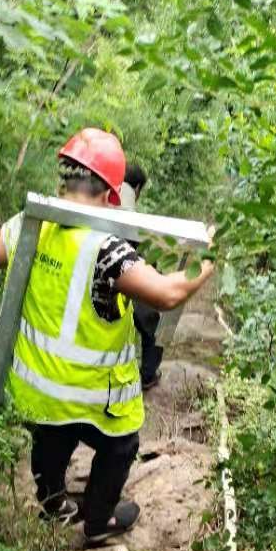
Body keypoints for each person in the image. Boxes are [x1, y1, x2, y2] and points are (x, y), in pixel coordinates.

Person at [0, 127, 213, 546]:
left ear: (64, 179)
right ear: (111, 194)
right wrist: (209, 258)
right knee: (120, 448)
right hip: (95, 399)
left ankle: (52, 504)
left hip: (38, 392)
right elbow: (168, 293)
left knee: (48, 441)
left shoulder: (29, 226)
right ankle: (99, 522)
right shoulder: (108, 248)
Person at [118, 162, 164, 391]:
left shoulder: (103, 198)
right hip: (127, 275)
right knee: (152, 319)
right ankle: (147, 375)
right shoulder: (129, 214)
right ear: (136, 190)